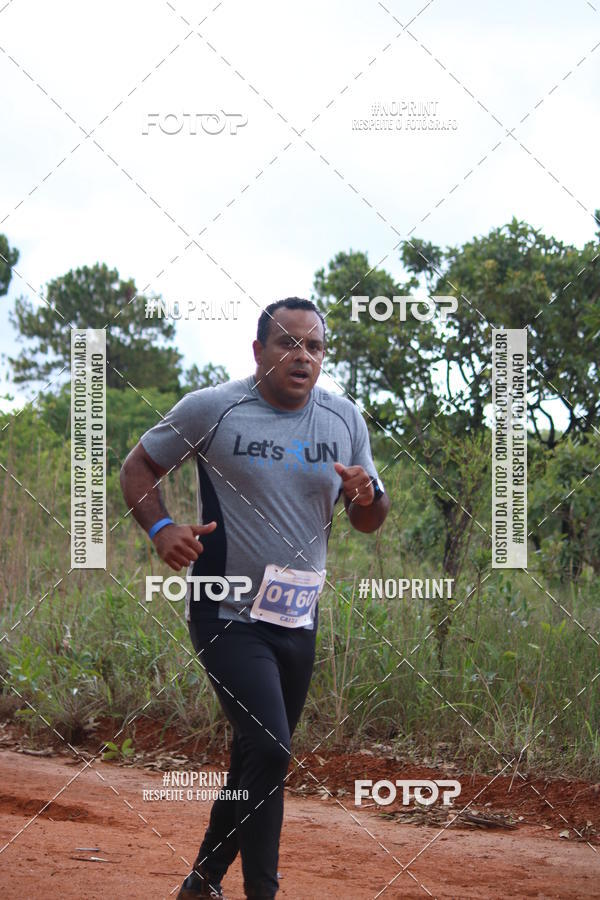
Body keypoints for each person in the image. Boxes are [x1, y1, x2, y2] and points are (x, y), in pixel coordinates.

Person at [120, 297, 390, 899]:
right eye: (287, 343)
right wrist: (163, 530)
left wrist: (367, 497)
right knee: (270, 744)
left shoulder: (344, 419)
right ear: (258, 351)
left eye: (314, 346)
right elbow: (137, 467)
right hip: (224, 608)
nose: (302, 356)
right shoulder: (213, 409)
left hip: (298, 618)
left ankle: (202, 882)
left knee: (257, 758)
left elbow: (368, 519)